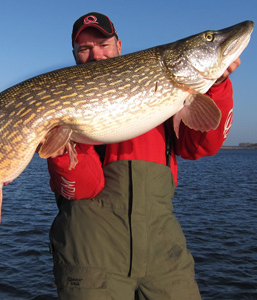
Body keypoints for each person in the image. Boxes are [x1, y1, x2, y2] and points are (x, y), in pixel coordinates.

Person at [46, 12, 240, 300]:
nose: (96, 55)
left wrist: (217, 86)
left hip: (163, 249)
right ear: (74, 55)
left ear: (119, 46)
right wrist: (62, 151)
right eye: (85, 49)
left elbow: (200, 146)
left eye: (103, 45)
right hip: (92, 250)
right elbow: (84, 189)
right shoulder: (66, 103)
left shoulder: (166, 90)